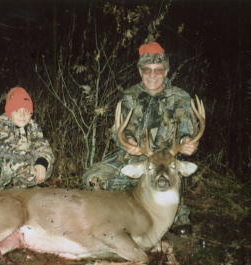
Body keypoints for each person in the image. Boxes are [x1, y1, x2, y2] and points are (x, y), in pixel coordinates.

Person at [82, 42, 199, 231]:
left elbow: (187, 130)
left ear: (166, 71)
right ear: (140, 71)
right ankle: (125, 212)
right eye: (147, 70)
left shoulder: (181, 98)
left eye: (158, 70)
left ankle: (177, 211)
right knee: (92, 179)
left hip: (166, 164)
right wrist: (128, 142)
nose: (152, 75)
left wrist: (187, 142)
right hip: (135, 159)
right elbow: (120, 129)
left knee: (169, 172)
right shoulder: (129, 97)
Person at [0, 87, 55, 194]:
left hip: (18, 163)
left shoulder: (33, 127)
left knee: (46, 167)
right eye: (17, 110)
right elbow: (6, 155)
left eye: (26, 111)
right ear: (9, 113)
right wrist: (30, 174)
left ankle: (15, 191)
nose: (22, 115)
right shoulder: (0, 126)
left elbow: (43, 146)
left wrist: (41, 162)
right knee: (5, 170)